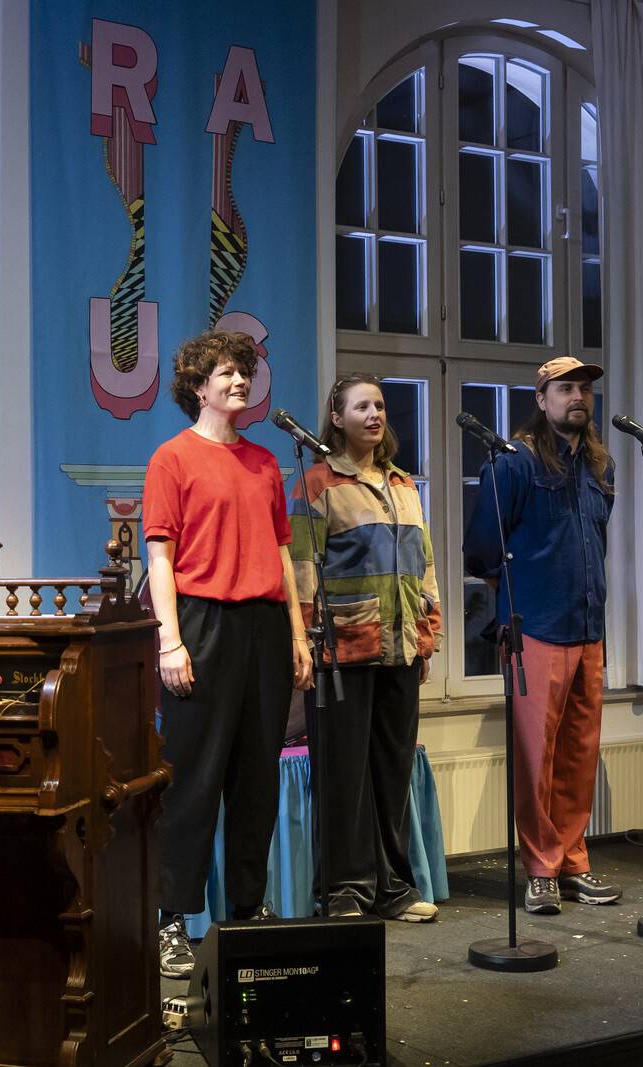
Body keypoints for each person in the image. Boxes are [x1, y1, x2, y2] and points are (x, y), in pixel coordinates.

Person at [143, 330, 314, 978]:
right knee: (190, 779)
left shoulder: (266, 463)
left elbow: (279, 555)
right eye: (225, 372)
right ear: (197, 385)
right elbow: (160, 557)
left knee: (256, 777)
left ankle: (247, 906)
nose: (240, 381)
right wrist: (170, 639)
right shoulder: (173, 458)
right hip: (202, 624)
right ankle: (170, 919)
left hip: (266, 625)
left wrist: (297, 635)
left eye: (244, 371)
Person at [461, 356, 621, 916]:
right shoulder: (515, 462)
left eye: (585, 389)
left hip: (588, 627)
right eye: (566, 388)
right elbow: (481, 547)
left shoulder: (601, 465)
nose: (578, 396)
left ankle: (574, 861)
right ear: (543, 398)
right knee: (536, 759)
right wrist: (513, 598)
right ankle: (540, 869)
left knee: (578, 755)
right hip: (536, 628)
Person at [286, 373, 442, 922]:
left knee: (391, 775)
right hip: (343, 652)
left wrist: (428, 635)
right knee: (343, 779)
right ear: (337, 417)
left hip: (400, 649)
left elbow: (424, 566)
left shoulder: (402, 484)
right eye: (361, 407)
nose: (374, 415)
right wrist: (302, 643)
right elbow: (301, 570)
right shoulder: (318, 484)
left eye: (378, 405)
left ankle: (394, 887)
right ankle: (343, 890)